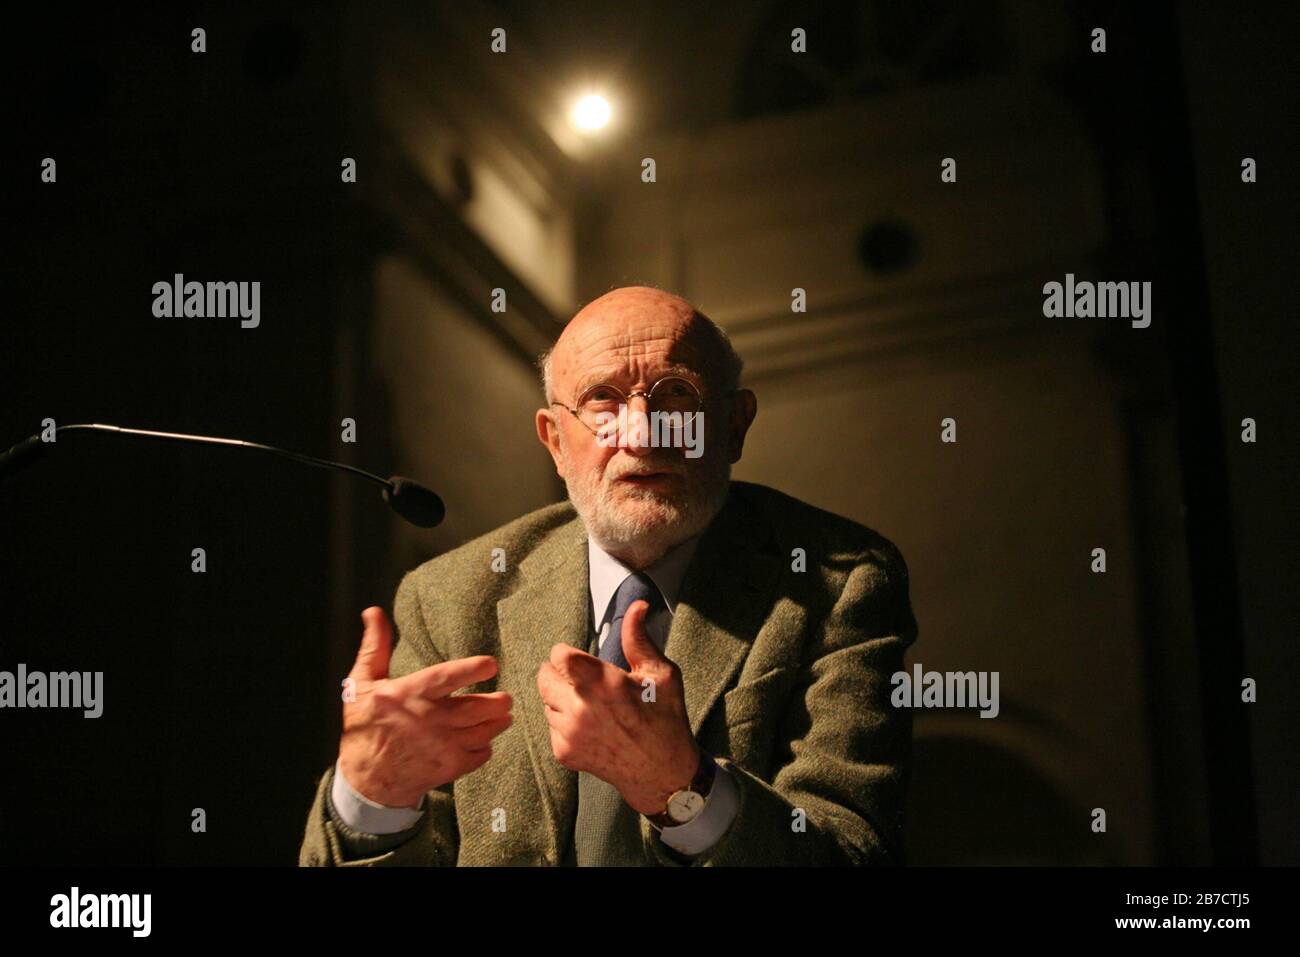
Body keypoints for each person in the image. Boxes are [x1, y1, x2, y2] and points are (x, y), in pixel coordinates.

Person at [298, 285, 919, 866]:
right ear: (555, 443)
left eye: (677, 394)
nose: (642, 433)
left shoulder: (840, 582)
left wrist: (686, 788)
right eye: (602, 400)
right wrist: (371, 800)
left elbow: (853, 850)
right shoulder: (448, 598)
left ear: (733, 426)